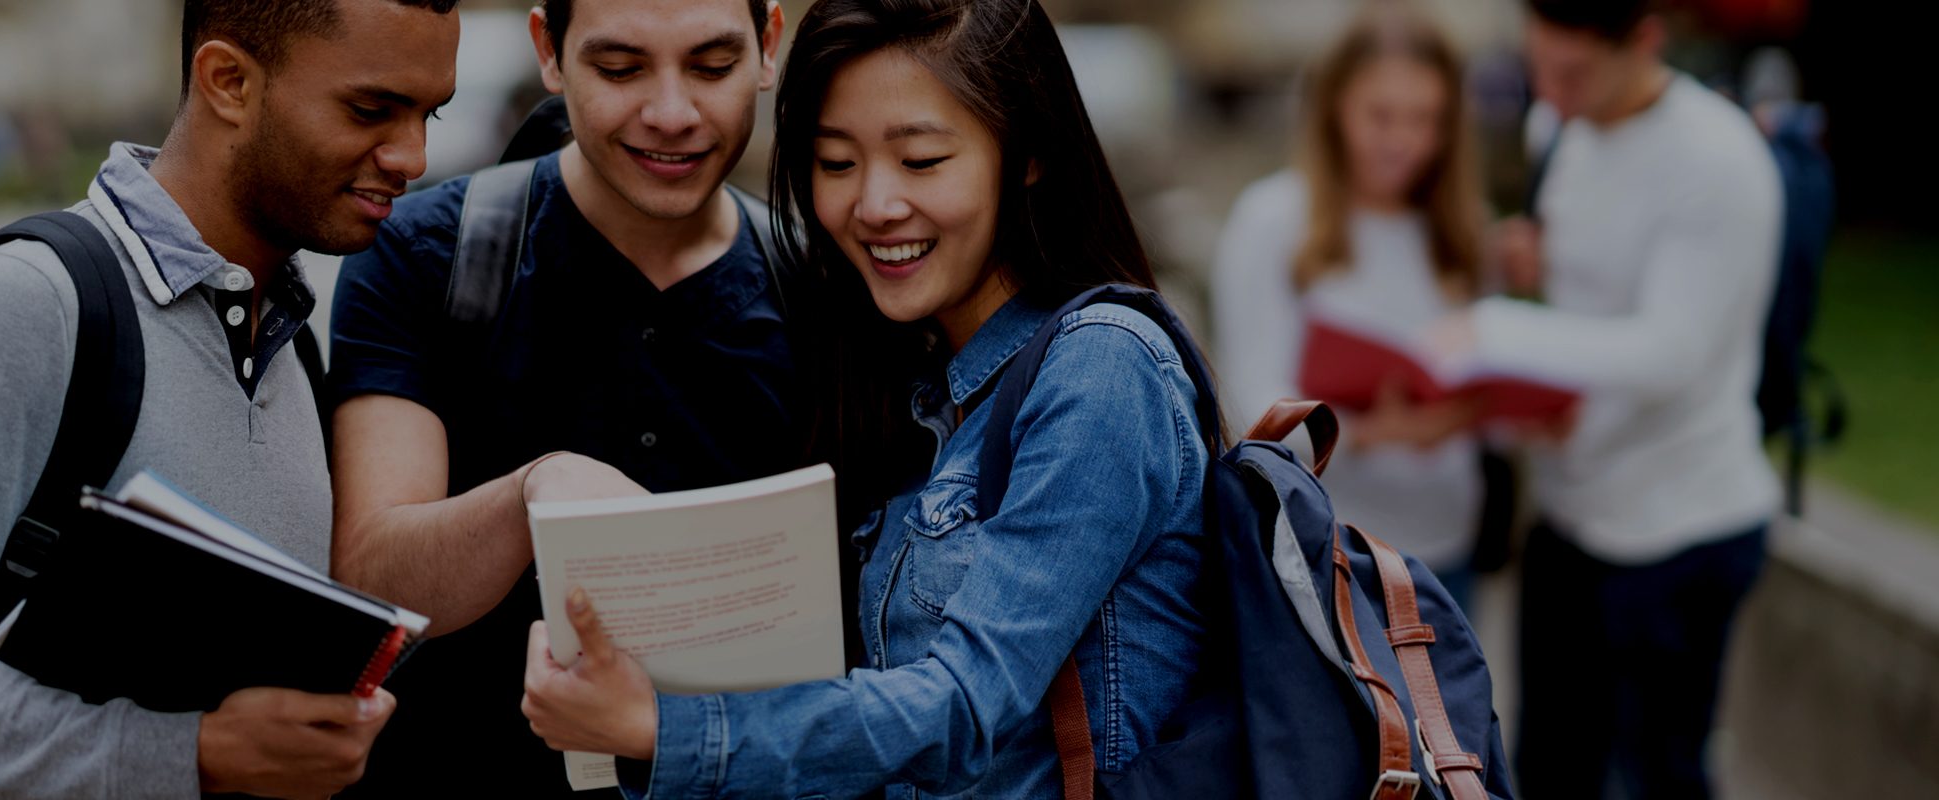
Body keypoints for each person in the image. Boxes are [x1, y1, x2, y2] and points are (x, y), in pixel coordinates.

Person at [517, 0, 1215, 796]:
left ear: (1027, 153)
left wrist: (662, 729)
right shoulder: (915, 383)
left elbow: (966, 706)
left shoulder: (1100, 369)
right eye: (837, 163)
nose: (875, 206)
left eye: (920, 161)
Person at [0, 1, 459, 796]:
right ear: (228, 82)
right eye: (371, 110)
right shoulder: (24, 306)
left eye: (429, 114)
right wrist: (189, 753)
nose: (412, 155)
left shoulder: (291, 342)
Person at [322, 0, 794, 794]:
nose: (672, 113)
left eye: (712, 67)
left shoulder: (826, 292)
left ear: (769, 45)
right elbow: (373, 577)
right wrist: (529, 495)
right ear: (549, 49)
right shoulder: (424, 257)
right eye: (620, 69)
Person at [1432, 0, 1783, 796]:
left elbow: (1671, 350)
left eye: (1573, 73)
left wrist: (1494, 331)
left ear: (1647, 39)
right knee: (1546, 764)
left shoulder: (1717, 160)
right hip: (1567, 521)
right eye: (1537, 70)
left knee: (1659, 775)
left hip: (1679, 530)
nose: (1550, 96)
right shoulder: (1561, 127)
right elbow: (1590, 298)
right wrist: (1534, 268)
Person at [1212, 0, 1492, 610]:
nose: (1404, 141)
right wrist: (1368, 433)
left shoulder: (1461, 232)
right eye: (1381, 115)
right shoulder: (1273, 220)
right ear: (1336, 108)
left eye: (1426, 119)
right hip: (1328, 555)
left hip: (1445, 553)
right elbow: (1250, 411)